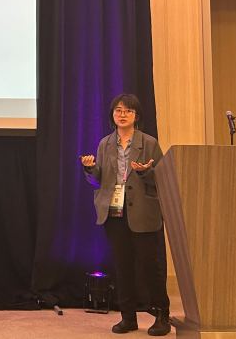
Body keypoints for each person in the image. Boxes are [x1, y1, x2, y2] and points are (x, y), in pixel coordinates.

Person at [81, 93, 171, 336]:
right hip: (114, 211)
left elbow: (162, 179)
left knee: (151, 267)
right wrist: (90, 168)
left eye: (128, 111)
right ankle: (128, 317)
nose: (122, 115)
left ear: (136, 116)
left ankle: (161, 315)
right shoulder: (105, 144)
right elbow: (98, 180)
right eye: (118, 110)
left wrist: (144, 172)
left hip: (143, 211)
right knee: (123, 266)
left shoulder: (149, 143)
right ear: (112, 115)